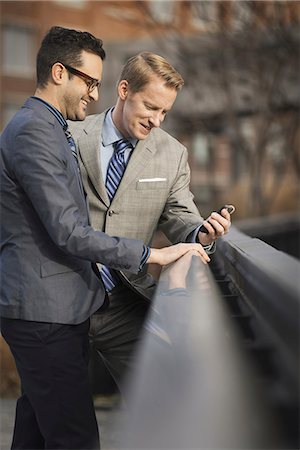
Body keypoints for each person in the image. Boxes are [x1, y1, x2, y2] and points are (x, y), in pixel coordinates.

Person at [0, 29, 209, 450]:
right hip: (45, 310)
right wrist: (152, 254)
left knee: (37, 432)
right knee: (75, 439)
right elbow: (68, 230)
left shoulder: (50, 127)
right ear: (60, 73)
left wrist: (199, 233)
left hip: (67, 307)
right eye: (89, 82)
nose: (94, 94)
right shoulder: (36, 132)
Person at [68, 52, 232, 394]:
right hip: (64, 302)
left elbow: (180, 215)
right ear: (124, 89)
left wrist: (201, 232)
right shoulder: (69, 136)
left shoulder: (172, 154)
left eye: (165, 112)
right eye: (150, 107)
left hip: (125, 303)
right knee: (51, 416)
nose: (157, 120)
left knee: (162, 399)